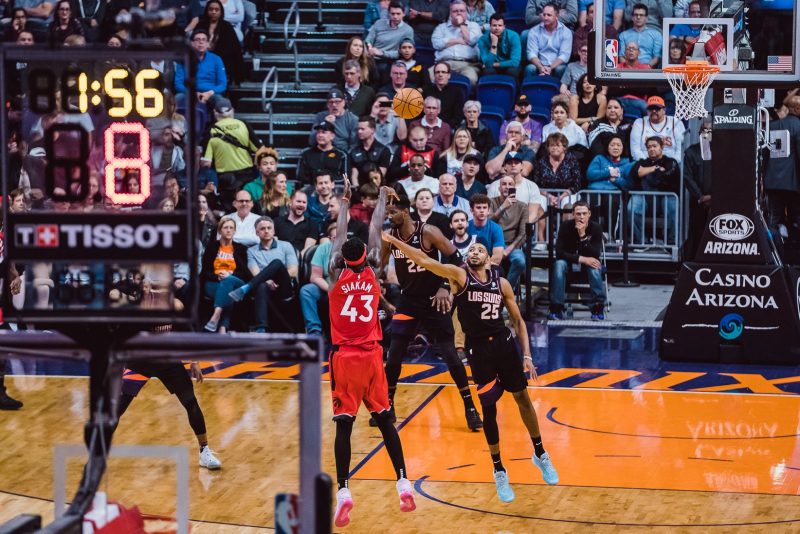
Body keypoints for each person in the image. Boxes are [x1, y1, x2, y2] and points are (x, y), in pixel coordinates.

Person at [381, 233, 560, 502]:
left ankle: (540, 452)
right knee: (489, 409)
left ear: (489, 259)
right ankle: (499, 469)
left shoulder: (502, 284)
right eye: (470, 250)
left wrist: (528, 356)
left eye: (479, 249)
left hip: (504, 343)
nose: (474, 252)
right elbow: (421, 258)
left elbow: (518, 321)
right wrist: (394, 243)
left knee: (523, 398)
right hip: (479, 350)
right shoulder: (459, 276)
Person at [328, 184, 416, 527]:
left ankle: (344, 492)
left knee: (344, 426)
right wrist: (381, 198)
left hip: (345, 358)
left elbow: (339, 233)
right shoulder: (375, 271)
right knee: (385, 420)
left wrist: (345, 203)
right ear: (365, 255)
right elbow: (377, 228)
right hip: (373, 357)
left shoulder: (337, 273)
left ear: (342, 259)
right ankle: (403, 482)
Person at [379, 194, 482, 430]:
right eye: (387, 212)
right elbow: (380, 267)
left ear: (405, 212)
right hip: (408, 300)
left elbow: (457, 259)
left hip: (434, 300)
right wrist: (379, 289)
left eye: (393, 212)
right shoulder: (390, 237)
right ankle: (388, 406)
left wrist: (445, 286)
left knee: (450, 354)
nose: (389, 216)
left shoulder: (428, 232)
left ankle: (470, 407)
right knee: (394, 354)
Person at [116, 360, 221, 469]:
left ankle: (204, 451)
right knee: (117, 408)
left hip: (169, 360)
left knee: (191, 402)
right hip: (141, 358)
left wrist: (194, 361)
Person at [226, 216, 298, 332]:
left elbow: (293, 271)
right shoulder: (251, 251)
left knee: (277, 263)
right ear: (257, 232)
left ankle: (246, 287)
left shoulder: (286, 245)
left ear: (274, 231)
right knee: (260, 285)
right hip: (264, 285)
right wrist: (266, 280)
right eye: (263, 228)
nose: (266, 231)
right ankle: (261, 328)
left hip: (284, 286)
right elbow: (255, 273)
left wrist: (273, 279)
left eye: (269, 228)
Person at [202, 98, 262, 212]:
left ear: (215, 113)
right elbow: (259, 149)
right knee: (249, 208)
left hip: (226, 180)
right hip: (247, 176)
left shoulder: (211, 131)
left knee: (230, 212)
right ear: (232, 111)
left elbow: (206, 162)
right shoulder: (243, 124)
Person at [549, 201, 606, 320]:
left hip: (588, 266)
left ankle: (598, 307)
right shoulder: (565, 226)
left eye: (584, 213)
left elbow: (595, 254)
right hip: (569, 264)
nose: (581, 217)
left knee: (595, 266)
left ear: (589, 214)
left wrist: (583, 236)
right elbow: (559, 253)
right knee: (559, 264)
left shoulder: (595, 228)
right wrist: (581, 259)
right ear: (573, 214)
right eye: (578, 214)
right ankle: (557, 307)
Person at [530, 132, 582, 247]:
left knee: (568, 207)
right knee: (538, 206)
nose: (554, 148)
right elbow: (536, 184)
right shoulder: (542, 161)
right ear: (547, 148)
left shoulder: (572, 160)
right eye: (551, 145)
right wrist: (549, 196)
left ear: (564, 147)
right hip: (545, 193)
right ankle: (541, 241)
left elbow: (577, 183)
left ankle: (562, 240)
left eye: (558, 145)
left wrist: (561, 196)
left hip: (568, 193)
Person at [202, 217, 251, 332]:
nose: (228, 230)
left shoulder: (241, 249)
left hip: (237, 282)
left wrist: (231, 274)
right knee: (229, 292)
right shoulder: (212, 247)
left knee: (228, 281)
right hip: (214, 283)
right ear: (220, 231)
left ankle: (216, 316)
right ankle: (223, 328)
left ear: (234, 231)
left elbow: (245, 274)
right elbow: (205, 272)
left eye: (231, 228)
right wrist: (218, 277)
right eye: (225, 228)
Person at [629, 136, 680, 246]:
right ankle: (640, 242)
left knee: (673, 205)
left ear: (661, 147)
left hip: (665, 196)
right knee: (632, 207)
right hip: (644, 197)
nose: (651, 149)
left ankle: (671, 243)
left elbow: (667, 175)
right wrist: (655, 168)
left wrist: (645, 172)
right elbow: (635, 173)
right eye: (649, 147)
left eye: (654, 146)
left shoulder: (670, 161)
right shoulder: (642, 162)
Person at [430, 0, 482, 87]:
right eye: (455, 11)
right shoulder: (441, 27)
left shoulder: (474, 26)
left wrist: (462, 24)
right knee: (429, 77)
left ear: (466, 12)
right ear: (450, 13)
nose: (459, 13)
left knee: (471, 79)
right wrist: (457, 40)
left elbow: (471, 41)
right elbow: (436, 44)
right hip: (444, 63)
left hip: (467, 64)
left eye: (462, 11)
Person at [490, 176, 528, 290]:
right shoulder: (491, 202)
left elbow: (523, 233)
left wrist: (508, 249)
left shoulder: (522, 206)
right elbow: (487, 224)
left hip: (511, 245)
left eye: (510, 184)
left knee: (520, 261)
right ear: (499, 188)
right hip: (493, 244)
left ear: (514, 187)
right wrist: (503, 207)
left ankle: (505, 290)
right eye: (504, 184)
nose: (507, 187)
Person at [682, 119, 712, 260]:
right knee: (697, 231)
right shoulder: (691, 152)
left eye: (710, 131)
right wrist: (700, 197)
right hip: (698, 202)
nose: (706, 134)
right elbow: (687, 177)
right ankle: (694, 262)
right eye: (704, 131)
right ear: (699, 133)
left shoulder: (722, 151)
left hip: (717, 202)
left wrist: (714, 197)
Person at [195, 0, 245, 85]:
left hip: (221, 62)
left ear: (221, 12)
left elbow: (235, 50)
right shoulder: (200, 25)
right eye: (211, 9)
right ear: (207, 11)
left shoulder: (227, 27)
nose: (213, 12)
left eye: (216, 10)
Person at [175, 29, 228, 107]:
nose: (201, 42)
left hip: (211, 93)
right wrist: (192, 93)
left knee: (223, 103)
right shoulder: (184, 59)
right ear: (192, 43)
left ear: (208, 43)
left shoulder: (216, 59)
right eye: (197, 40)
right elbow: (178, 84)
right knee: (176, 99)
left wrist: (209, 93)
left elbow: (222, 84)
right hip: (188, 93)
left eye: (204, 40)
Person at [630, 96, 685, 163]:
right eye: (651, 108)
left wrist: (671, 164)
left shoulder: (675, 122)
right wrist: (649, 164)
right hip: (646, 164)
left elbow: (681, 150)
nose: (653, 111)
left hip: (671, 164)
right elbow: (635, 150)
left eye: (657, 108)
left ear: (664, 110)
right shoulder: (639, 123)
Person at [524, 3, 573, 79]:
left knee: (561, 69)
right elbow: (531, 53)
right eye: (544, 15)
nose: (545, 18)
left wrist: (550, 67)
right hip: (539, 64)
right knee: (530, 68)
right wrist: (540, 67)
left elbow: (564, 56)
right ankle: (526, 90)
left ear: (556, 16)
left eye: (549, 15)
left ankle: (560, 90)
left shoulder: (566, 32)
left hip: (557, 65)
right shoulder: (534, 31)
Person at [366, 1, 415, 73]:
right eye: (393, 14)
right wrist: (370, 48)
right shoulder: (379, 23)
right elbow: (368, 40)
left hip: (389, 60)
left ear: (403, 14)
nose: (395, 17)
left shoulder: (408, 30)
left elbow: (403, 52)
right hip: (372, 58)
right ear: (388, 14)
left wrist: (382, 53)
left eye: (398, 14)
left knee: (382, 68)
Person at [296, 121, 349, 187]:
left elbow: (345, 177)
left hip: (334, 189)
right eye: (318, 132)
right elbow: (299, 176)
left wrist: (327, 183)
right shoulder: (306, 153)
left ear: (332, 136)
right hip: (311, 188)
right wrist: (317, 183)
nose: (320, 135)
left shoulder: (341, 154)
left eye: (324, 132)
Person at [308, 89, 359, 153]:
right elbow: (311, 141)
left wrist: (346, 157)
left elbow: (354, 145)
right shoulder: (320, 116)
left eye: (337, 102)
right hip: (322, 151)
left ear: (344, 102)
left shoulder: (352, 119)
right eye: (331, 102)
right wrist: (325, 123)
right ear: (327, 104)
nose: (334, 105)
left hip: (342, 152)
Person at [477, 13, 521, 78]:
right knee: (488, 72)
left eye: (500, 25)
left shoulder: (514, 36)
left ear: (504, 27)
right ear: (490, 26)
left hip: (509, 65)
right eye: (494, 25)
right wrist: (494, 44)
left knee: (513, 72)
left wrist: (495, 64)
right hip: (492, 66)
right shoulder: (483, 39)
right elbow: (487, 64)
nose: (497, 28)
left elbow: (515, 62)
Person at [350, 116, 391, 186]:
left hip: (377, 187)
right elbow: (354, 175)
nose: (359, 131)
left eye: (362, 129)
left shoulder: (384, 150)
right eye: (358, 129)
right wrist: (357, 189)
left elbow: (381, 175)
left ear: (373, 130)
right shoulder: (354, 152)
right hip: (360, 188)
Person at [618, 3, 662, 68]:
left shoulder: (656, 35)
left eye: (641, 15)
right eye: (636, 15)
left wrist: (646, 67)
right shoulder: (623, 35)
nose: (638, 17)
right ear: (632, 17)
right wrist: (629, 69)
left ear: (646, 18)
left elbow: (657, 57)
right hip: (628, 70)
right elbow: (621, 56)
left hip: (648, 70)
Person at [275, 190, 318, 254]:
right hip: (280, 257)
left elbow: (307, 250)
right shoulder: (277, 221)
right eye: (298, 201)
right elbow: (274, 245)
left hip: (301, 260)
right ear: (290, 202)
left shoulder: (311, 224)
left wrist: (296, 260)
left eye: (304, 202)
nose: (301, 204)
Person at [424, 61, 465, 128]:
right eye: (438, 72)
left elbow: (458, 116)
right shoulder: (427, 91)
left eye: (443, 72)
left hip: (448, 128)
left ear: (449, 75)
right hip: (427, 127)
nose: (440, 75)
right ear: (434, 75)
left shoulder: (457, 92)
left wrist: (444, 127)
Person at [467, 194, 505, 265]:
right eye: (478, 208)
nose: (482, 210)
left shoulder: (496, 229)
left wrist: (480, 268)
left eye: (484, 208)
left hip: (489, 266)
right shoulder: (466, 227)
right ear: (471, 210)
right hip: (468, 266)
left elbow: (497, 258)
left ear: (488, 211)